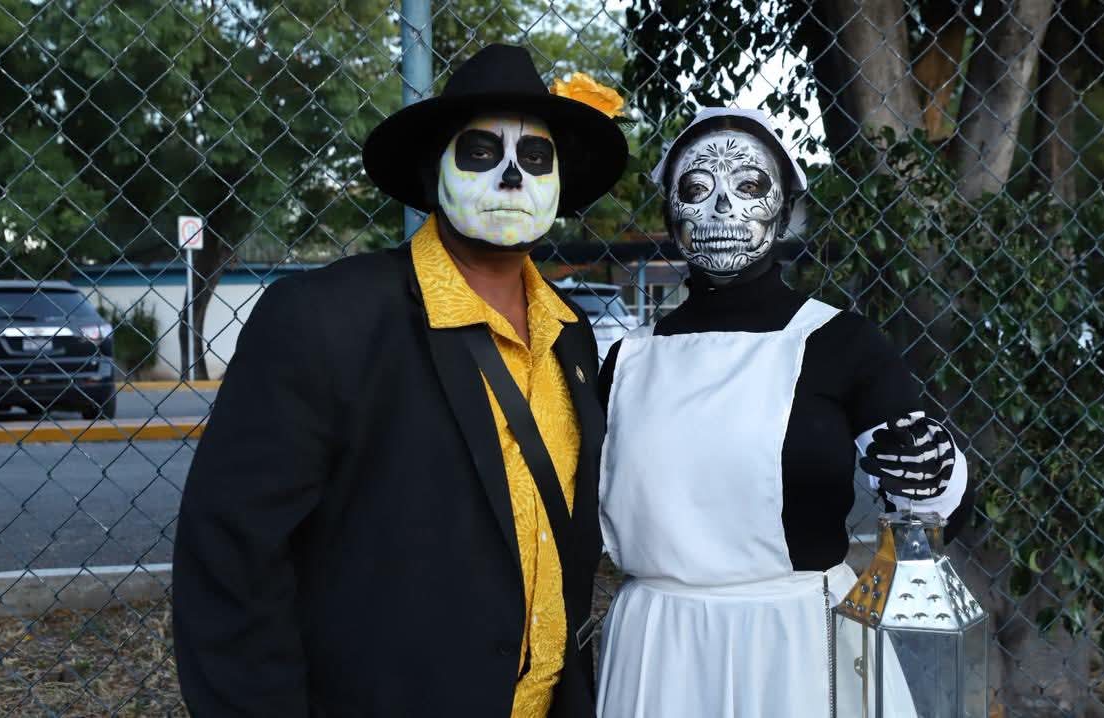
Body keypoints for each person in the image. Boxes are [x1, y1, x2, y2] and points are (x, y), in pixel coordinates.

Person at [172, 44, 627, 718]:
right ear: (432, 166)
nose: (511, 177)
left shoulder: (572, 335)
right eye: (481, 152)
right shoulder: (325, 320)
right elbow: (231, 560)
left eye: (536, 157)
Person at [594, 108, 976, 718]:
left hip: (798, 644)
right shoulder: (625, 361)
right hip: (661, 646)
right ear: (670, 210)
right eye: (697, 188)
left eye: (748, 185)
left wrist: (930, 478)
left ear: (784, 205)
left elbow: (932, 510)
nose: (723, 208)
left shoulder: (843, 343)